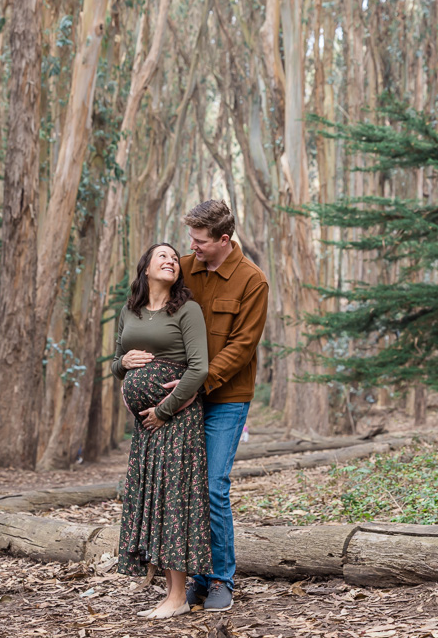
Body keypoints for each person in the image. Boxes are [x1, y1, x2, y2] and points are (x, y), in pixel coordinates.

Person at [144, 200, 268, 611]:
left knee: (214, 486)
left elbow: (243, 346)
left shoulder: (253, 282)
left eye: (199, 241)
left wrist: (199, 382)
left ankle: (220, 579)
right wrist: (127, 356)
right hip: (179, 398)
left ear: (224, 240)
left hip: (225, 398)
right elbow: (153, 312)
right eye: (190, 240)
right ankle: (194, 577)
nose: (191, 248)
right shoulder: (183, 267)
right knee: (188, 490)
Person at [112, 243, 212, 620]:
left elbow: (198, 369)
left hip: (175, 420)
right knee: (153, 500)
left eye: (175, 258)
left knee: (174, 501)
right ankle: (168, 589)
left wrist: (165, 410)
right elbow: (114, 364)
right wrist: (122, 363)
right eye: (162, 257)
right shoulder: (130, 310)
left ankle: (177, 596)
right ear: (146, 269)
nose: (171, 260)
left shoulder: (187, 310)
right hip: (146, 426)